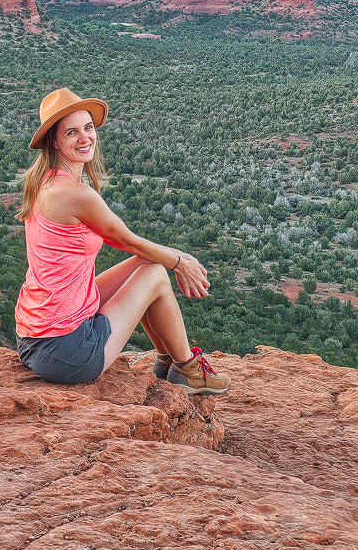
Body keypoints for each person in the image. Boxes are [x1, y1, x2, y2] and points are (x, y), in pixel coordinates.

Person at [14, 88, 231, 395]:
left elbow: (137, 249)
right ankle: (188, 369)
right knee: (156, 272)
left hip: (35, 335)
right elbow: (127, 240)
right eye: (72, 132)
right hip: (66, 351)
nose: (85, 138)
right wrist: (181, 263)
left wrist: (178, 259)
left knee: (148, 264)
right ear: (55, 141)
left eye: (88, 128)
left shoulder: (44, 180)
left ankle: (166, 360)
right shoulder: (74, 195)